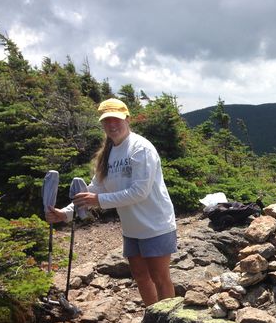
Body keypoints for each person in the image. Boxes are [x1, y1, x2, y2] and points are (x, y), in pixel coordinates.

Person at [46, 98, 177, 306]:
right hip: (132, 229)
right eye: (107, 121)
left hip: (156, 225)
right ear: (102, 124)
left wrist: (98, 201)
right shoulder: (108, 153)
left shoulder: (141, 148)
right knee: (141, 278)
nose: (112, 125)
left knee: (160, 279)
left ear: (127, 119)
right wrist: (66, 213)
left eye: (116, 119)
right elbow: (94, 189)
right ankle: (152, 322)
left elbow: (139, 192)